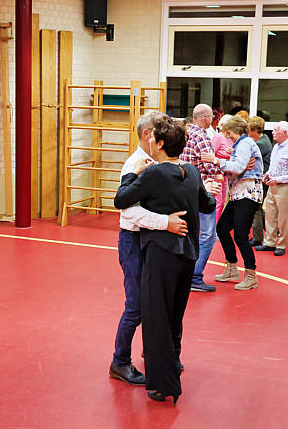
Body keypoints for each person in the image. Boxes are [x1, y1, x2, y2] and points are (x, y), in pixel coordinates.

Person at [114, 115, 218, 404]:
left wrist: (134, 177)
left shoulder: (153, 172)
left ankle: (163, 375)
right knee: (156, 310)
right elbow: (207, 204)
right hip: (176, 250)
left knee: (157, 313)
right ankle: (132, 361)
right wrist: (170, 217)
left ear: (159, 142)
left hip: (161, 250)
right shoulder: (186, 170)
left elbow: (122, 200)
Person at [110, 111, 188, 386]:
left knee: (156, 302)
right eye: (160, 130)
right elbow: (128, 212)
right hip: (134, 241)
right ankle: (120, 362)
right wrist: (165, 222)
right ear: (149, 135)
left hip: (151, 242)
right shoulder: (133, 165)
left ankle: (153, 351)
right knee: (136, 306)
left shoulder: (158, 162)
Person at [203, 116, 263, 290]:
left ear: (233, 130)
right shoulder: (241, 145)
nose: (227, 136)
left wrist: (215, 160)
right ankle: (231, 267)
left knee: (240, 235)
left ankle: (251, 275)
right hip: (238, 193)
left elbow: (237, 167)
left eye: (228, 132)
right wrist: (231, 160)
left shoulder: (245, 143)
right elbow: (238, 166)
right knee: (222, 228)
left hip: (247, 193)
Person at [180, 104, 220, 292]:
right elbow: (210, 166)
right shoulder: (202, 137)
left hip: (183, 191)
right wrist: (220, 165)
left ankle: (184, 274)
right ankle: (195, 277)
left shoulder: (184, 133)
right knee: (207, 236)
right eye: (211, 117)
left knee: (188, 233)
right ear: (205, 118)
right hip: (201, 191)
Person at [255, 121, 288, 257]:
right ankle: (269, 242)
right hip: (272, 185)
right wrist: (267, 174)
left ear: (285, 133)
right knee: (270, 215)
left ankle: (281, 244)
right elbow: (273, 166)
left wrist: (278, 179)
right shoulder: (276, 147)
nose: (273, 132)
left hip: (285, 187)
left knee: (283, 217)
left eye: (276, 130)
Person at [248, 116, 272, 247]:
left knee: (255, 208)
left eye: (250, 130)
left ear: (256, 130)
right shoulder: (265, 139)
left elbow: (248, 159)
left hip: (261, 180)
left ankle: (257, 238)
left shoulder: (260, 145)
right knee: (259, 207)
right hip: (264, 179)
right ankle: (270, 231)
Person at [211, 114, 234, 221]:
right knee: (218, 202)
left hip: (227, 175)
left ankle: (217, 226)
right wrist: (217, 172)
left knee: (222, 202)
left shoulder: (231, 139)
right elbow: (211, 156)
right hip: (217, 174)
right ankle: (213, 226)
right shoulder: (218, 137)